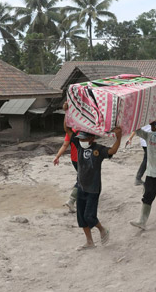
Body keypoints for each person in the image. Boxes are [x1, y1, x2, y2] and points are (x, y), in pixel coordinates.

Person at [64, 106, 123, 250]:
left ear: (91, 138)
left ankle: (103, 230)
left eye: (84, 138)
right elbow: (67, 130)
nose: (81, 140)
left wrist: (119, 137)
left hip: (93, 188)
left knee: (90, 216)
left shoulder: (98, 149)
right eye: (80, 138)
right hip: (81, 186)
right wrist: (67, 112)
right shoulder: (78, 145)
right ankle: (89, 242)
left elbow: (112, 151)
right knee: (81, 218)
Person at [53, 126, 79, 213]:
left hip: (74, 159)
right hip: (83, 159)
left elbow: (65, 145)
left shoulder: (71, 132)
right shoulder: (86, 130)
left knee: (83, 177)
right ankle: (71, 200)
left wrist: (57, 156)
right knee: (83, 179)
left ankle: (79, 197)